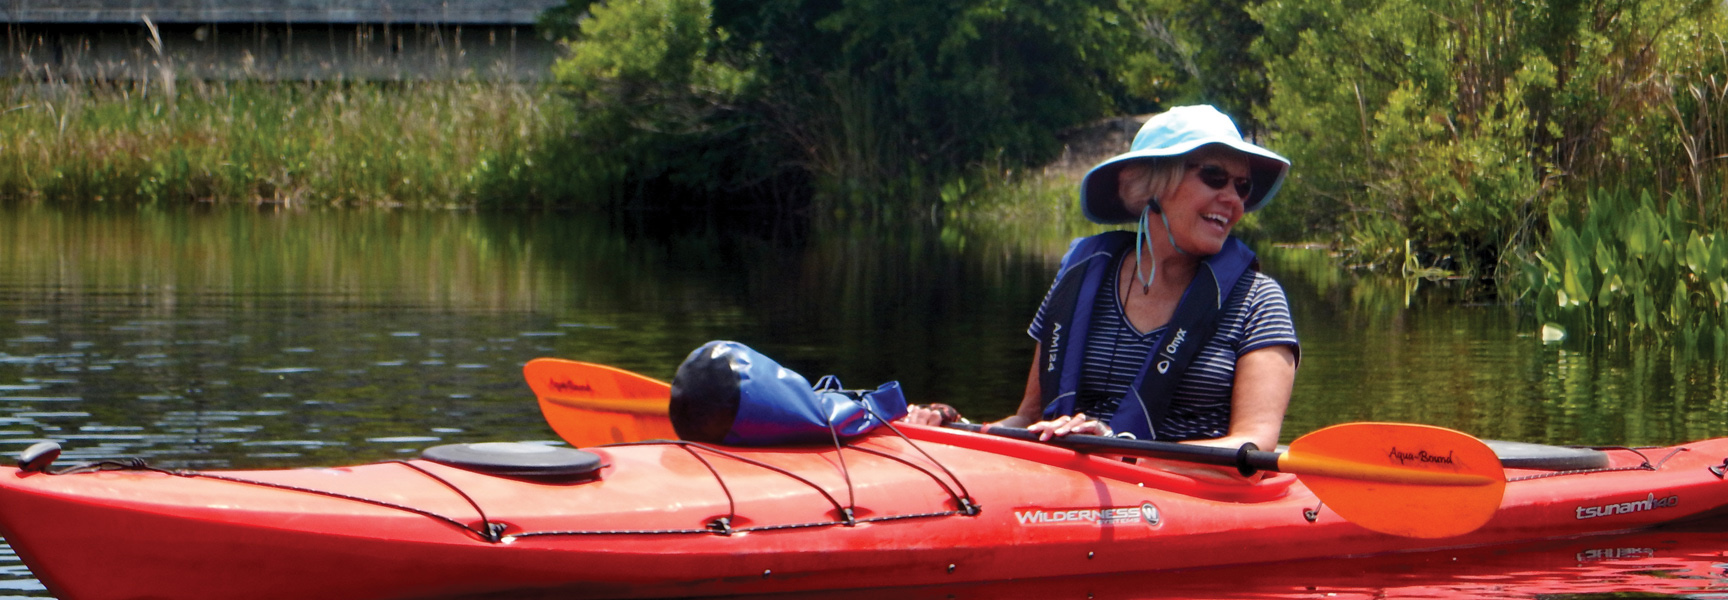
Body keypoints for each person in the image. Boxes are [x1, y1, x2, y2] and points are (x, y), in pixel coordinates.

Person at [906, 105, 1298, 453]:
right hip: (1069, 488)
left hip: (1186, 497)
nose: (1234, 200)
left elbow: (1253, 443)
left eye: (1242, 186)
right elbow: (1027, 419)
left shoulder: (1258, 301)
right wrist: (958, 432)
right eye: (1214, 177)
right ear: (1153, 185)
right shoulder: (1079, 280)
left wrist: (1117, 448)